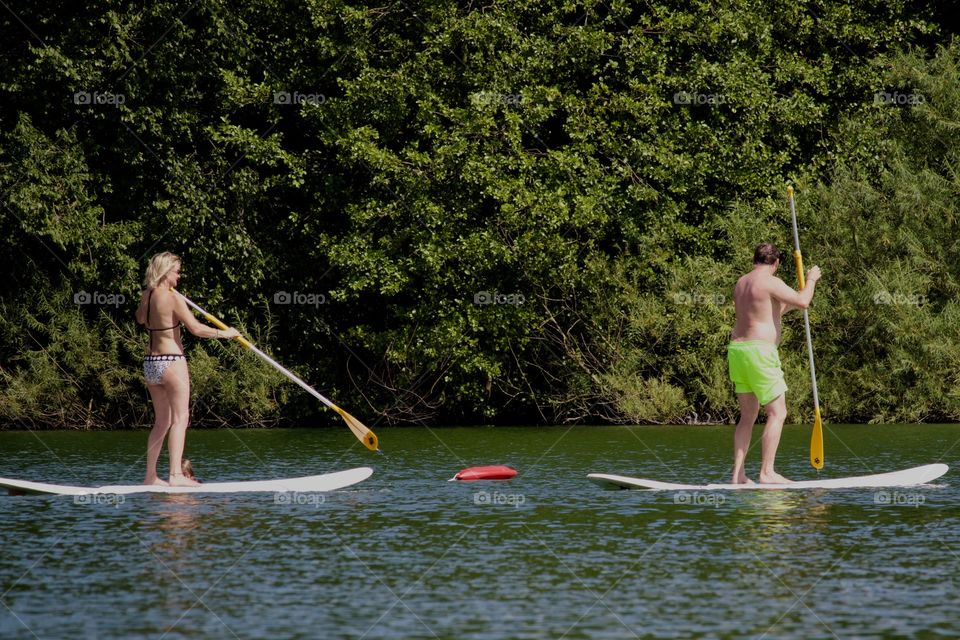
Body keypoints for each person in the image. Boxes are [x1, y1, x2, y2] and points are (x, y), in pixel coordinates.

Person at [135, 252, 239, 486]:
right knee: (181, 418)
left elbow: (141, 319)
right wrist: (226, 334)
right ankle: (175, 476)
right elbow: (195, 329)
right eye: (177, 272)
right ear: (165, 272)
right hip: (172, 361)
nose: (179, 276)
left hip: (151, 364)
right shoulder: (173, 298)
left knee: (161, 422)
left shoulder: (147, 295)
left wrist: (150, 302)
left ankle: (150, 476)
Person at [728, 243, 821, 484]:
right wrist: (810, 281)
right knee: (778, 412)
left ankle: (738, 475)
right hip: (760, 352)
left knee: (747, 415)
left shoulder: (742, 282)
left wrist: (798, 295)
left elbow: (769, 311)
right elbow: (803, 302)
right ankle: (767, 473)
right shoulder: (770, 281)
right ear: (776, 263)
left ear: (755, 260)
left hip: (738, 350)